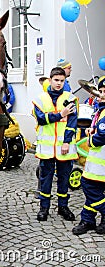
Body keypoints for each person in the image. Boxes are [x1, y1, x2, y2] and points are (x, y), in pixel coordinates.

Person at [32, 67, 78, 222]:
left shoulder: (71, 98)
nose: (59, 83)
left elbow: (72, 123)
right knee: (46, 178)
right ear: (50, 80)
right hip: (47, 148)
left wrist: (66, 142)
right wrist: (61, 114)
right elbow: (41, 119)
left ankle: (63, 207)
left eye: (62, 81)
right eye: (56, 80)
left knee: (64, 178)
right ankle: (44, 208)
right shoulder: (40, 99)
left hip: (65, 147)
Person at [72, 77, 105, 235]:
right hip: (97, 161)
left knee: (88, 185)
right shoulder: (101, 110)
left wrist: (91, 139)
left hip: (101, 161)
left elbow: (101, 137)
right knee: (96, 189)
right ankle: (88, 220)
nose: (102, 94)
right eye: (102, 91)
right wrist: (92, 130)